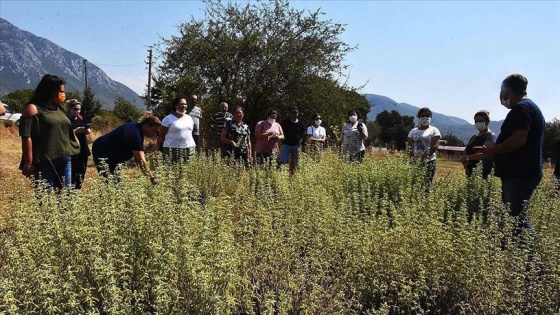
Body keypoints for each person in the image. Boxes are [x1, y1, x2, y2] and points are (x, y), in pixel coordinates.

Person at [469, 74, 545, 231]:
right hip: (522, 173)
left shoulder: (521, 109)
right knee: (515, 217)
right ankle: (520, 250)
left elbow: (518, 140)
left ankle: (527, 252)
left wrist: (493, 150)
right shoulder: (530, 108)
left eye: (501, 91)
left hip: (520, 174)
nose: (501, 97)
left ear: (507, 91)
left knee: (515, 218)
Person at [18, 74, 81, 190]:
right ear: (50, 91)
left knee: (66, 198)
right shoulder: (33, 108)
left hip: (65, 158)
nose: (63, 95)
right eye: (61, 91)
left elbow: (65, 127)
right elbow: (26, 136)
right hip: (45, 161)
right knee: (45, 199)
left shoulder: (60, 108)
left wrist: (75, 142)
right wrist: (28, 162)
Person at [92, 112, 160, 184]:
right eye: (154, 131)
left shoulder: (137, 128)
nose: (155, 134)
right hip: (102, 150)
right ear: (147, 126)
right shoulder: (136, 135)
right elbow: (141, 161)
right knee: (109, 181)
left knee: (115, 181)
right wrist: (152, 179)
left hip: (112, 153)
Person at [407, 107, 441, 189]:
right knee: (414, 184)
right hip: (415, 162)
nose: (425, 118)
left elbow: (434, 146)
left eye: (427, 116)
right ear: (419, 117)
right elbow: (409, 146)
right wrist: (412, 158)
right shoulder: (413, 131)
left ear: (430, 118)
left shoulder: (434, 130)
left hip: (429, 162)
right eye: (422, 116)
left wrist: (423, 158)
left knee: (426, 185)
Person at [157, 97, 196, 163]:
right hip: (172, 149)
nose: (184, 106)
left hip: (189, 147)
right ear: (175, 105)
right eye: (181, 104)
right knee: (173, 169)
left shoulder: (189, 118)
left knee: (188, 170)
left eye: (185, 104)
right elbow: (161, 134)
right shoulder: (168, 118)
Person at [461, 110, 497, 179]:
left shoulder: (491, 136)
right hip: (471, 172)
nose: (478, 123)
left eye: (480, 121)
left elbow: (485, 153)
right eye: (476, 121)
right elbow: (466, 150)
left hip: (485, 173)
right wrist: (464, 161)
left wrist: (468, 158)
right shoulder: (474, 137)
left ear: (487, 122)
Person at [66, 99, 91, 189]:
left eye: (79, 109)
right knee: (72, 172)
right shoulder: (66, 120)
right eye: (75, 109)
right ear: (69, 109)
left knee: (81, 172)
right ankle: (70, 190)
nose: (78, 111)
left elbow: (88, 128)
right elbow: (64, 133)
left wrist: (87, 130)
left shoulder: (81, 117)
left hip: (83, 149)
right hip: (71, 149)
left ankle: (77, 189)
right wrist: (75, 131)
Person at [279, 107, 306, 174]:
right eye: (293, 112)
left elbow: (303, 133)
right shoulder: (285, 122)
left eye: (295, 112)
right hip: (286, 144)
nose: (294, 114)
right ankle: (283, 175)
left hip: (296, 145)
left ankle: (292, 176)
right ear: (290, 114)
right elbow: (280, 131)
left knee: (295, 162)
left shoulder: (300, 123)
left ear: (298, 114)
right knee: (283, 161)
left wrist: (300, 141)